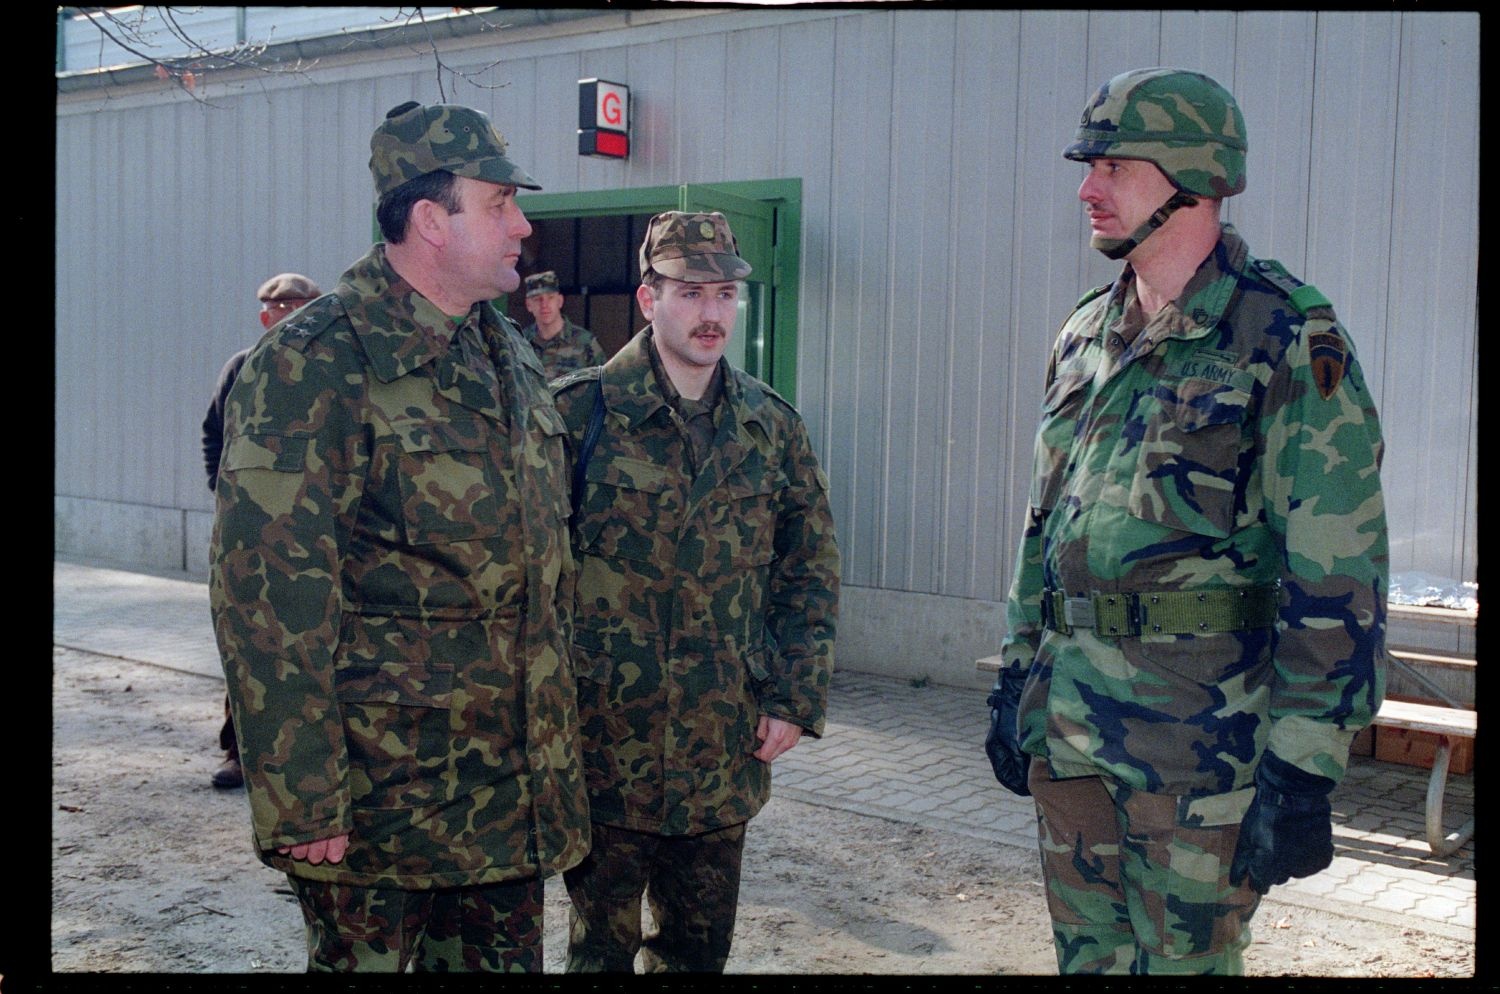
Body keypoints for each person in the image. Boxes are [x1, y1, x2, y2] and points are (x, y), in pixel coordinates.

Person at [984, 67, 1388, 975]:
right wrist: (1017, 677)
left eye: (1113, 166)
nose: (1086, 188)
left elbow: (1336, 566)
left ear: (1194, 180)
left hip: (1202, 754)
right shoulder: (1086, 334)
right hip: (1074, 728)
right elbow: (1043, 527)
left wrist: (1304, 763)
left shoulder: (1283, 335)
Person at [209, 101, 590, 973]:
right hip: (382, 807)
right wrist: (303, 797)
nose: (523, 226)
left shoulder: (505, 349)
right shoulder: (318, 361)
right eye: (499, 203)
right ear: (429, 219)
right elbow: (268, 599)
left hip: (509, 792)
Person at [551, 211, 840, 973]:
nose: (711, 314)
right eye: (690, 293)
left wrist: (793, 696)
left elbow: (807, 569)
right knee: (598, 954)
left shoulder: (770, 427)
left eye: (724, 294)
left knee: (697, 954)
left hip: (720, 744)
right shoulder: (576, 415)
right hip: (605, 746)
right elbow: (530, 581)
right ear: (649, 299)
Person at [201, 271, 322, 790]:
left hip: (317, 533)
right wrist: (225, 494)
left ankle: (307, 757)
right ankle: (238, 752)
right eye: (278, 309)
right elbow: (213, 433)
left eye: (298, 307)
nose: (286, 317)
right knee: (246, 641)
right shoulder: (242, 368)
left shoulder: (329, 370)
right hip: (251, 535)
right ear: (264, 317)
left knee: (317, 645)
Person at [521, 269, 606, 378]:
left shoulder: (586, 343)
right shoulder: (520, 343)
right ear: (528, 305)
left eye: (550, 298)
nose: (544, 305)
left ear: (560, 301)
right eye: (537, 299)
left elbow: (604, 384)